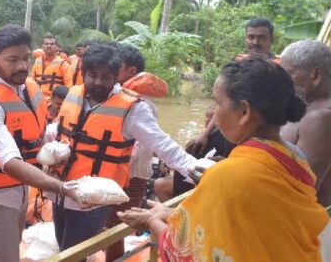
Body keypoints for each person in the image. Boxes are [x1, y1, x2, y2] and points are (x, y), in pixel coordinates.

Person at [119, 58, 331, 262]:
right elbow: (256, 224)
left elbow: (185, 250)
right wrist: (169, 213)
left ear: (244, 112)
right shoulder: (293, 159)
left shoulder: (228, 175)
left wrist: (152, 220)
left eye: (217, 102)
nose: (213, 112)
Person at [44, 44, 197, 255]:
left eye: (106, 77)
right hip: (60, 191)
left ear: (116, 76)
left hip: (92, 199)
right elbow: (57, 129)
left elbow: (163, 145)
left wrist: (198, 173)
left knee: (72, 254)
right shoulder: (74, 94)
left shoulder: (133, 108)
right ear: (83, 73)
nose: (98, 82)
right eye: (93, 75)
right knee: (64, 248)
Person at [0, 24, 83, 262]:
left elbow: (37, 135)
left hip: (22, 190)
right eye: (12, 59)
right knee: (1, 257)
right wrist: (64, 189)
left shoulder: (29, 87)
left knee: (12, 249)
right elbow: (10, 162)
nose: (22, 66)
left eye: (25, 58)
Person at [103, 43, 169, 261]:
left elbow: (138, 147)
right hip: (117, 175)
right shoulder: (120, 99)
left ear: (131, 71)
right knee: (110, 227)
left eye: (116, 67)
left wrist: (110, 165)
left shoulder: (142, 105)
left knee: (115, 230)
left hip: (130, 177)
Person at [191, 18, 279, 157]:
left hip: (258, 136)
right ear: (245, 39)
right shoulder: (237, 64)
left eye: (261, 37)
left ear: (271, 40)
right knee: (194, 150)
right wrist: (205, 133)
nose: (255, 42)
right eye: (251, 37)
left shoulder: (277, 70)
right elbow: (223, 102)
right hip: (229, 128)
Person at [281, 40, 331, 207]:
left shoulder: (320, 118)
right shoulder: (305, 108)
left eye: (287, 74)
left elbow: (300, 190)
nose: (280, 82)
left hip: (299, 225)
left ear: (315, 75)